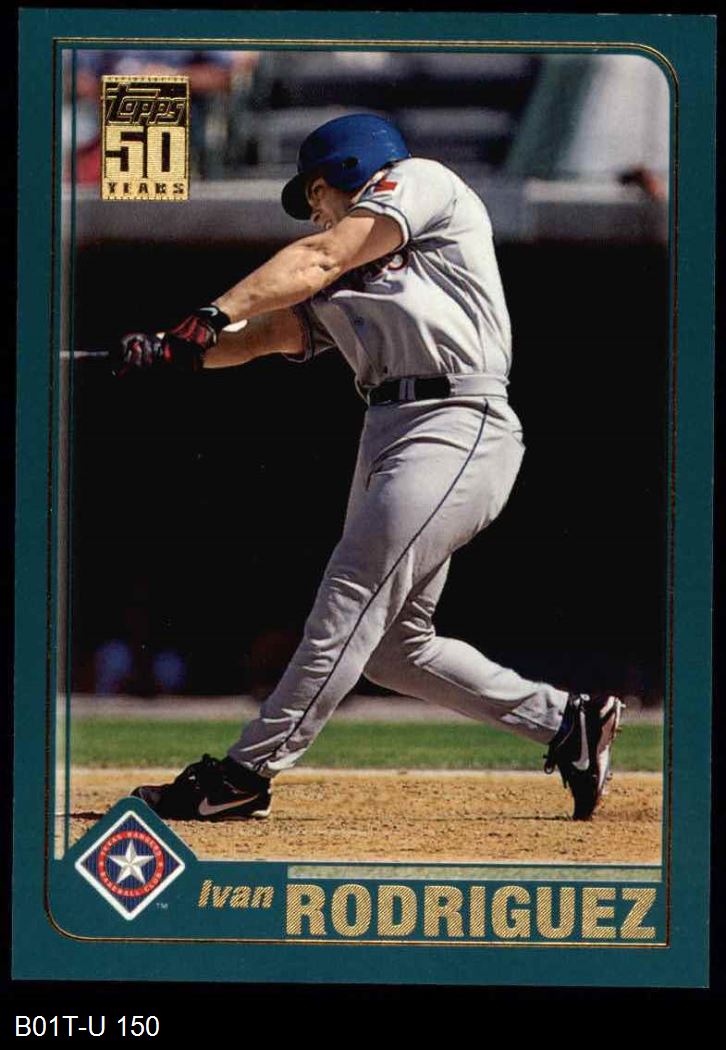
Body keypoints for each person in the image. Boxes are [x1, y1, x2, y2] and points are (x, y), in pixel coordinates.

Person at [118, 114, 622, 823]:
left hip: (456, 418)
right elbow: (269, 334)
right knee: (392, 649)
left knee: (348, 601)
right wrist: (178, 352)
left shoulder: (420, 183)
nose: (315, 210)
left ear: (352, 170)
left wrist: (212, 311)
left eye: (316, 192)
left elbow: (320, 255)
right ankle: (567, 723)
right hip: (388, 427)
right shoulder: (344, 272)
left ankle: (244, 773)